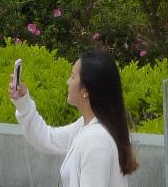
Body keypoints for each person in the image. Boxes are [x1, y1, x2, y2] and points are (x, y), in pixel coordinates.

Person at [10, 50, 138, 185]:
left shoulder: (96, 140)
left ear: (86, 90)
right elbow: (47, 138)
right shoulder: (85, 126)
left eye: (72, 77)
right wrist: (23, 102)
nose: (68, 82)